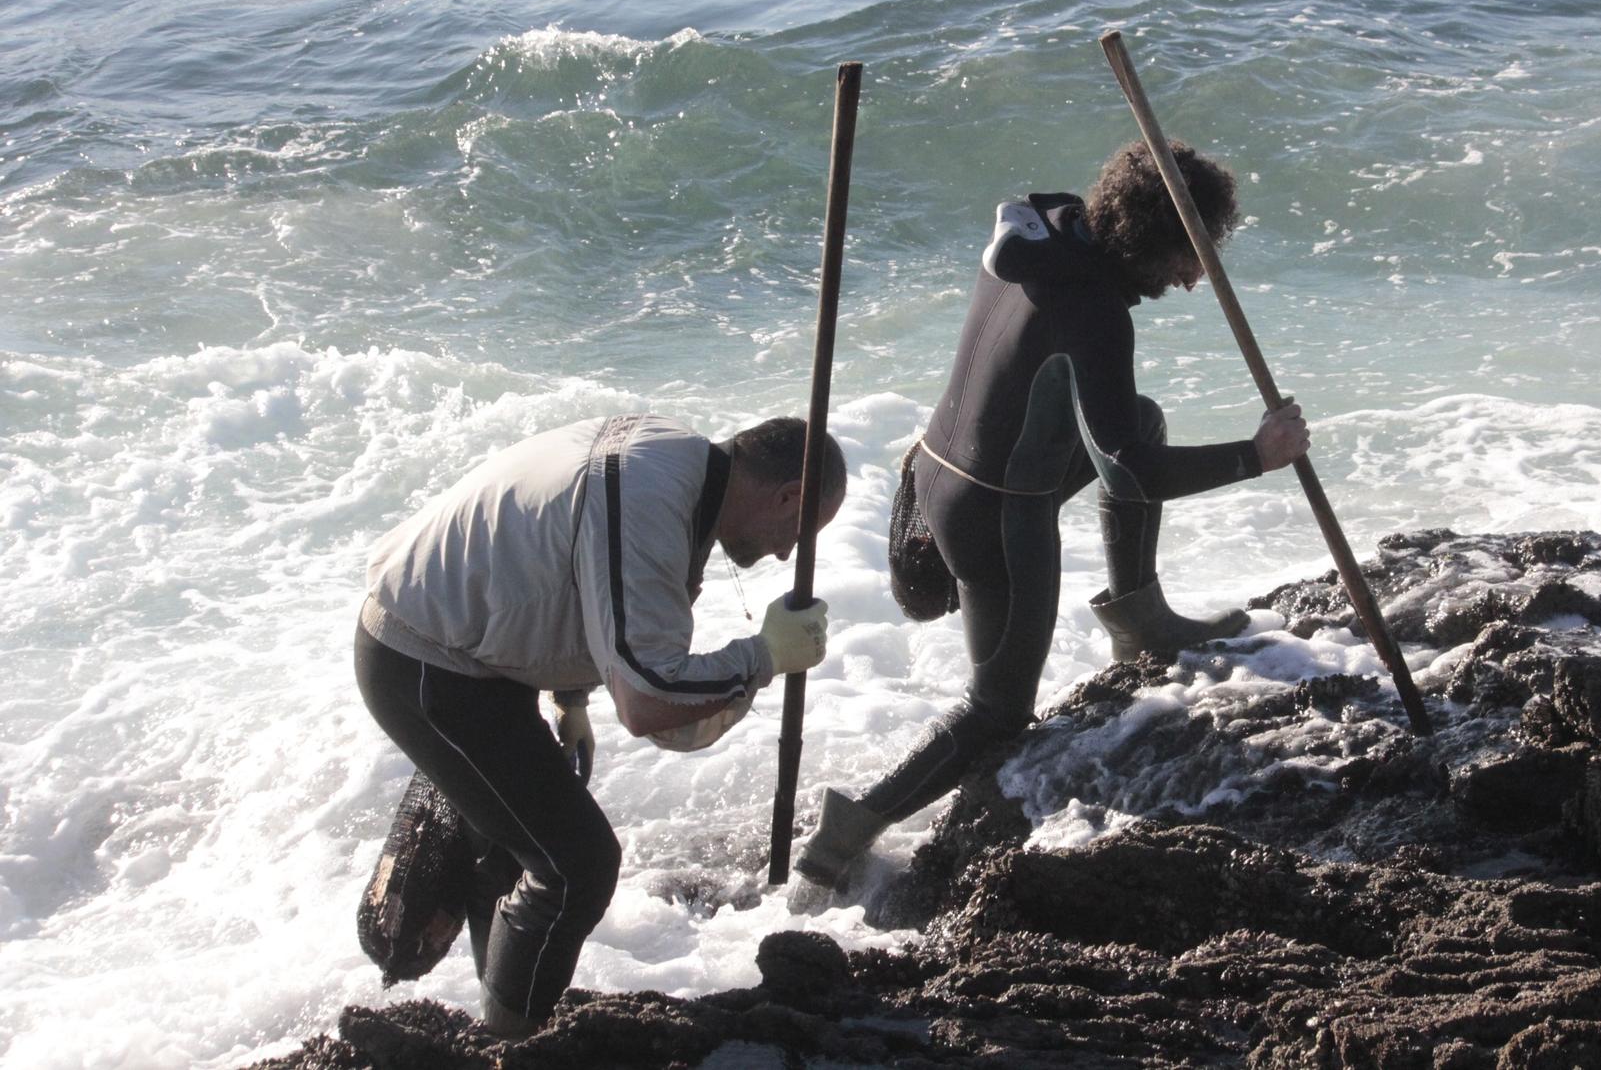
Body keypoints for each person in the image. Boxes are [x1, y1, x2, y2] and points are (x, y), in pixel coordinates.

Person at [796, 140, 1309, 888]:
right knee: (997, 711)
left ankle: (1141, 618)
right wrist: (1255, 456)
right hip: (994, 518)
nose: (1196, 279)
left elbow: (1121, 434)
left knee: (1143, 416)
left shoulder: (1045, 231)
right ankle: (850, 829)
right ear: (1150, 237)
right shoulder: (1095, 309)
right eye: (1188, 254)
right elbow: (1131, 471)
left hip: (940, 468)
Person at [353, 413, 844, 1037]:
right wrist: (765, 656)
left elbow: (567, 568)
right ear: (788, 496)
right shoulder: (653, 498)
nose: (784, 552)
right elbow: (648, 699)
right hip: (423, 665)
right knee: (575, 866)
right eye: (798, 533)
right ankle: (514, 1047)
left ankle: (502, 1023)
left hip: (478, 659)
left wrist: (570, 694)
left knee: (517, 856)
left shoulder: (679, 466)